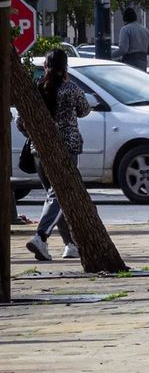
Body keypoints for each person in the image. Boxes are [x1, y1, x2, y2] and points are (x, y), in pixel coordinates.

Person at [23, 49, 93, 263]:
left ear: (45, 66)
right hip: (67, 149)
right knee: (60, 195)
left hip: (39, 151)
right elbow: (85, 110)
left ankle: (70, 244)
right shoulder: (70, 88)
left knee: (55, 197)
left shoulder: (36, 89)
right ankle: (41, 236)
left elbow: (21, 123)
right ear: (65, 68)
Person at [117, 7, 149, 75]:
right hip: (143, 65)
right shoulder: (145, 30)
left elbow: (123, 50)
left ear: (125, 19)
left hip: (129, 66)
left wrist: (109, 55)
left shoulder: (125, 29)